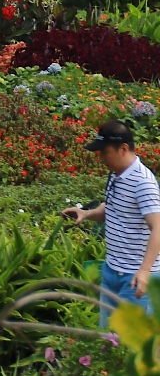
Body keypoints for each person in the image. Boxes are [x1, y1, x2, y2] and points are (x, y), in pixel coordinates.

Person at [63, 117, 160, 325]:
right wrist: (86, 214)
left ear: (123, 149)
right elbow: (112, 208)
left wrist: (144, 271)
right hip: (112, 270)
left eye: (105, 152)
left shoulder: (143, 183)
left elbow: (158, 227)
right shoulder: (117, 175)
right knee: (107, 344)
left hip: (135, 278)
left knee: (128, 346)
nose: (101, 158)